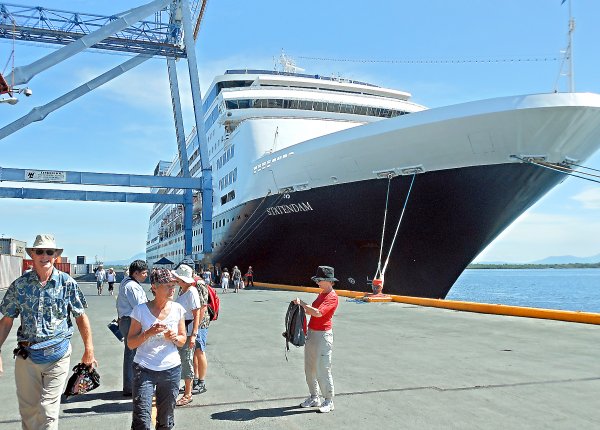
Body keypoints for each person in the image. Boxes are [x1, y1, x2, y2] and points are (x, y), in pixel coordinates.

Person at [0, 233, 98, 429]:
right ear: (33, 255)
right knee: (28, 412)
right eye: (40, 251)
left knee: (47, 411)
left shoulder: (67, 283)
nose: (44, 255)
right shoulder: (20, 285)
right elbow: (6, 321)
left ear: (55, 256)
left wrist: (89, 350)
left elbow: (81, 317)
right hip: (27, 356)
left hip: (58, 355)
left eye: (49, 252)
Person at [128, 269, 186, 430]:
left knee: (166, 420)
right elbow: (131, 343)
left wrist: (173, 337)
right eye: (168, 286)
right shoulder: (140, 310)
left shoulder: (178, 309)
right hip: (144, 368)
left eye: (174, 285)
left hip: (171, 369)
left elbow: (182, 340)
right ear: (154, 287)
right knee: (142, 418)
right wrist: (148, 333)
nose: (172, 289)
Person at [295, 266, 339, 413]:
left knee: (323, 369)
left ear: (328, 281)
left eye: (319, 280)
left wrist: (303, 304)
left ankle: (328, 400)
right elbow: (311, 311)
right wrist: (300, 306)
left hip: (323, 336)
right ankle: (314, 397)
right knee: (309, 369)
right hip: (313, 334)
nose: (317, 282)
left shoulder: (332, 297)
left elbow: (318, 313)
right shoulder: (321, 294)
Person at [116, 259, 149, 397]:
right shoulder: (132, 287)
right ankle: (131, 386)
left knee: (131, 352)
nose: (146, 275)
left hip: (126, 320)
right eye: (144, 273)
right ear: (136, 273)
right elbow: (140, 306)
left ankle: (131, 385)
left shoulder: (126, 282)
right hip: (131, 321)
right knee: (133, 353)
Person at [171, 263, 201, 407]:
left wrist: (194, 334)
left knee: (186, 360)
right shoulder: (182, 291)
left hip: (188, 332)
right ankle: (180, 389)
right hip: (180, 330)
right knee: (179, 360)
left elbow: (197, 313)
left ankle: (188, 393)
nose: (175, 280)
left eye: (177, 278)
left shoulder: (191, 292)